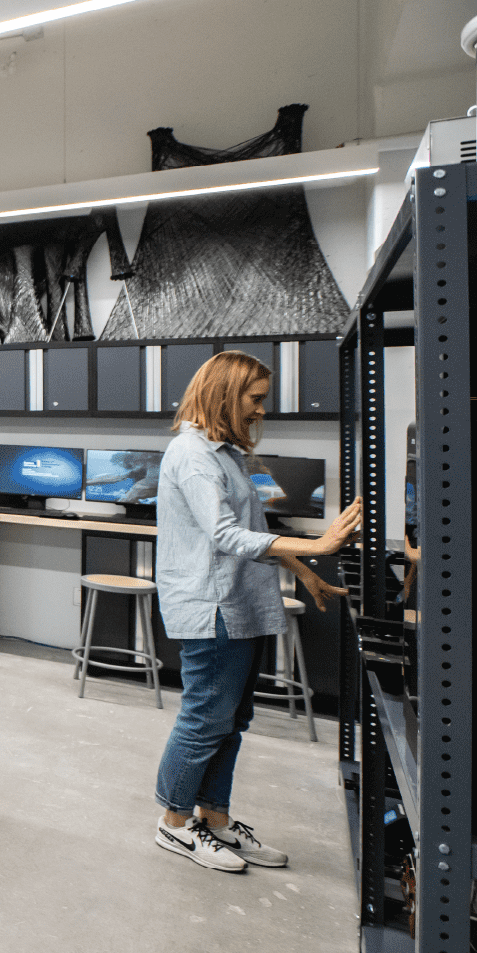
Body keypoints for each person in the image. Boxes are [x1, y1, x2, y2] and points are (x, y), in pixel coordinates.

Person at [151, 350, 360, 872]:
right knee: (205, 718)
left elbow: (254, 525)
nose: (263, 410)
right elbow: (223, 535)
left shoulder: (225, 454)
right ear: (225, 393)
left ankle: (215, 820)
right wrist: (319, 547)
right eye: (256, 398)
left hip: (242, 602)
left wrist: (304, 571)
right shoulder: (193, 454)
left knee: (233, 720)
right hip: (212, 606)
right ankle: (175, 825)